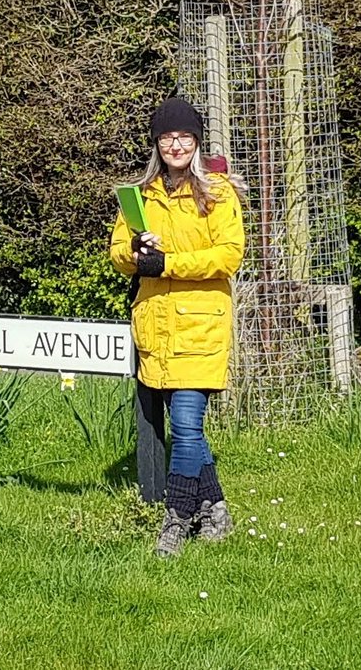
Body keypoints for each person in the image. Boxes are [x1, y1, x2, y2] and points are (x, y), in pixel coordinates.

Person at [109, 97, 246, 557]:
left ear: (196, 142)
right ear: (156, 144)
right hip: (157, 328)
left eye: (184, 137)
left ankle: (177, 516)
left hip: (200, 326)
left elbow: (229, 256)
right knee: (188, 429)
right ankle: (217, 511)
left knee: (186, 427)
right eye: (167, 137)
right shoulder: (143, 196)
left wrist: (168, 264)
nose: (175, 145)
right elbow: (118, 256)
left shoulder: (218, 194)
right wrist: (135, 252)